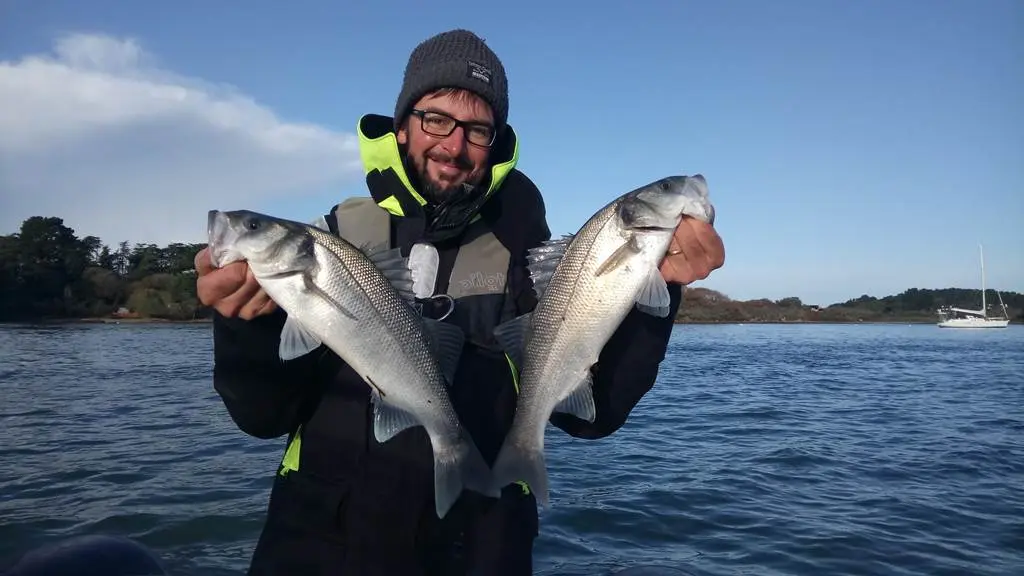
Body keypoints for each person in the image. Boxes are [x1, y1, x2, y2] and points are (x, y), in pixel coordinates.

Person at [194, 28, 725, 576]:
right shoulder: (332, 238)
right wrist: (245, 329)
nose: (453, 145)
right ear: (402, 127)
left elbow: (595, 417)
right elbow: (262, 418)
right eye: (435, 120)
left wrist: (651, 296)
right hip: (319, 544)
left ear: (494, 144)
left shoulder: (527, 256)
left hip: (480, 549)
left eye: (477, 130)